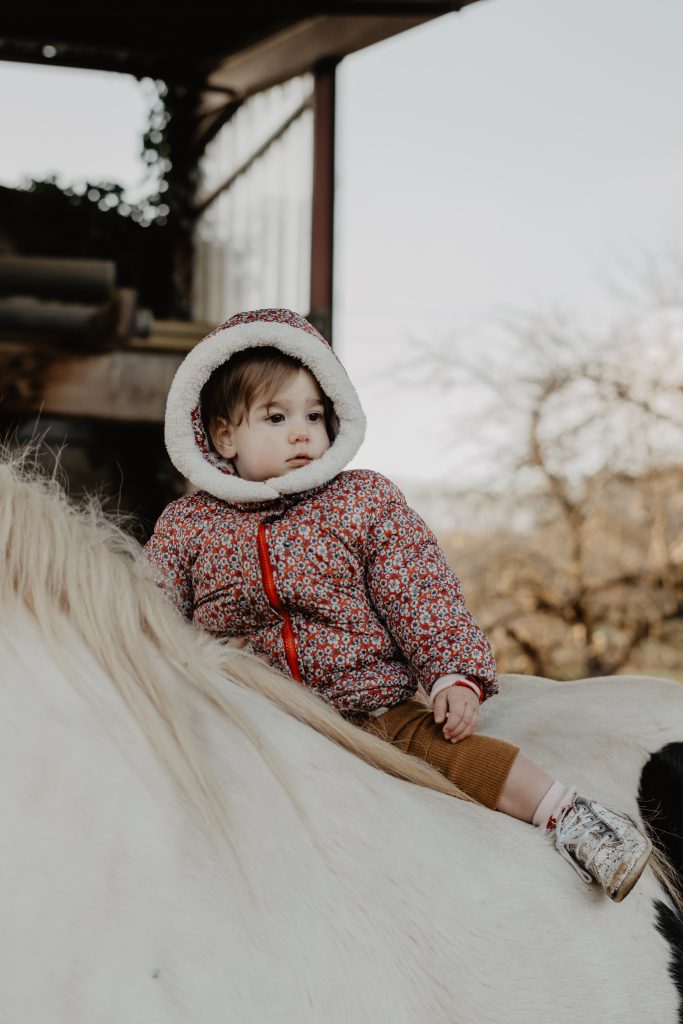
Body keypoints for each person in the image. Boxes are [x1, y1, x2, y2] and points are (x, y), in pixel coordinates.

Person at [145, 307, 651, 902]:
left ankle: (570, 816)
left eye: (315, 415)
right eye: (276, 417)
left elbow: (420, 591)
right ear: (223, 435)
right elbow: (148, 609)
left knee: (457, 755)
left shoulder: (362, 501)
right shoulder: (188, 526)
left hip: (369, 708)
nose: (303, 432)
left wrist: (452, 675)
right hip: (247, 711)